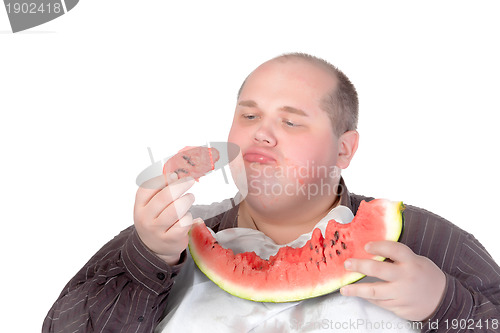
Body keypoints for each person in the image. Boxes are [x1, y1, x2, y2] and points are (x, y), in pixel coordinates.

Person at [43, 53, 500, 332]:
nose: (262, 134)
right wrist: (148, 260)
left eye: (291, 120)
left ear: (344, 149)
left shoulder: (428, 241)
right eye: (248, 116)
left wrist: (446, 304)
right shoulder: (165, 238)